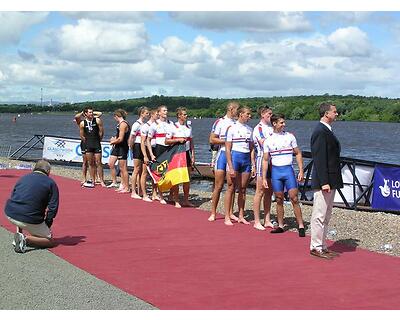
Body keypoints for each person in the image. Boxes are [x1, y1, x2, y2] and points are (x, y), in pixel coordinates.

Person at [262, 113, 305, 237]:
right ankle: (280, 225)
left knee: (294, 198)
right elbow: (265, 160)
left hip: (288, 171)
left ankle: (301, 225)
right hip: (276, 172)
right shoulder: (268, 140)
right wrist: (264, 177)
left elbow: (297, 153)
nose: (284, 124)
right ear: (274, 124)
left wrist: (301, 170)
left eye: (284, 122)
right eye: (281, 122)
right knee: (279, 199)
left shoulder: (290, 136)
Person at [309, 103, 343, 259]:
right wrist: (324, 181)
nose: (337, 114)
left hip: (331, 178)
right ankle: (316, 246)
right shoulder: (320, 131)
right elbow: (319, 158)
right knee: (319, 214)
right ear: (326, 113)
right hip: (324, 179)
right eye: (335, 112)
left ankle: (322, 245)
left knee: (327, 215)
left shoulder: (327, 130)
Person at [4, 160, 59, 253]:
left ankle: (19, 233)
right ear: (48, 171)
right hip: (30, 218)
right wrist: (47, 223)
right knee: (50, 241)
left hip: (10, 213)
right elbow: (53, 208)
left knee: (22, 206)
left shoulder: (23, 178)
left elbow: (15, 195)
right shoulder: (51, 183)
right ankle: (26, 239)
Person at [207, 101, 239, 222]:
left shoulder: (237, 123)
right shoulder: (220, 122)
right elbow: (212, 139)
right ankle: (213, 212)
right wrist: (226, 142)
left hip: (234, 155)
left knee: (231, 185)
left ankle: (230, 212)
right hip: (222, 154)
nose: (238, 112)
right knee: (219, 185)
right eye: (237, 109)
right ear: (231, 109)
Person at [224, 106, 255, 226]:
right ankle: (227, 216)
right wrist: (230, 166)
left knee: (243, 189)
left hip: (246, 159)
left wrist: (253, 164)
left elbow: (252, 148)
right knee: (231, 187)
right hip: (235, 158)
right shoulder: (232, 128)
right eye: (247, 114)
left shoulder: (249, 129)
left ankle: (241, 215)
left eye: (250, 114)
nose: (249, 116)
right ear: (241, 114)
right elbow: (227, 149)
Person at [165, 107, 195, 208]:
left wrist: (193, 155)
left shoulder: (189, 128)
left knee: (187, 178)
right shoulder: (173, 126)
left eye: (186, 114)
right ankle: (176, 199)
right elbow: (166, 141)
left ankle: (186, 200)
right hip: (176, 153)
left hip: (186, 154)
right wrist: (178, 140)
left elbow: (191, 142)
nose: (186, 116)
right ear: (179, 116)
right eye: (184, 114)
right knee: (176, 178)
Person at [252, 105, 274, 230]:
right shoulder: (258, 128)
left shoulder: (271, 128)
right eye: (268, 114)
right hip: (262, 159)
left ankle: (267, 219)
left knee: (269, 191)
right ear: (262, 115)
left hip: (272, 161)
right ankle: (256, 221)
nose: (270, 116)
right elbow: (263, 143)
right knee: (259, 190)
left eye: (271, 114)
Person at [147, 105, 174, 204]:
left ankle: (171, 194)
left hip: (169, 149)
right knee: (160, 172)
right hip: (159, 148)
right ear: (159, 112)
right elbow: (148, 140)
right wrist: (151, 154)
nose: (166, 112)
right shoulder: (154, 124)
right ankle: (160, 195)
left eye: (167, 110)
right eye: (164, 110)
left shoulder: (171, 123)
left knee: (169, 171)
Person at [79, 107, 106, 188]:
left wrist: (98, 139)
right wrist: (87, 141)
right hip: (88, 144)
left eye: (92, 112)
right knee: (90, 163)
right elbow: (82, 135)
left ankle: (101, 180)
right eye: (90, 112)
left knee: (99, 162)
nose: (92, 114)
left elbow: (101, 132)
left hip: (96, 143)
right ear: (85, 114)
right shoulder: (82, 123)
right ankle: (92, 180)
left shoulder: (97, 120)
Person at [128, 106, 150, 199]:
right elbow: (131, 137)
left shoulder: (145, 124)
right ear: (142, 114)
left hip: (143, 146)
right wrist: (131, 147)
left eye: (148, 113)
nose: (148, 115)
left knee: (142, 170)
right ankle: (133, 191)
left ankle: (140, 190)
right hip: (137, 146)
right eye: (146, 113)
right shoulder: (136, 124)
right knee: (136, 169)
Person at [108, 109, 131, 193]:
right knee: (111, 163)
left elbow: (121, 139)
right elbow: (118, 136)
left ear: (116, 116)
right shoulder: (119, 124)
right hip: (117, 147)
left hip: (122, 147)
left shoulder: (123, 124)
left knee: (123, 168)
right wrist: (114, 139)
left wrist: (112, 141)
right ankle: (119, 183)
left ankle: (126, 187)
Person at [141, 109, 160, 202]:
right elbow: (142, 142)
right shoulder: (145, 126)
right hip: (148, 150)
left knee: (155, 172)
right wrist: (145, 155)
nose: (158, 116)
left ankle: (154, 193)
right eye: (157, 114)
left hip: (156, 149)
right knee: (144, 172)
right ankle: (144, 194)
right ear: (152, 115)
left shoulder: (157, 125)